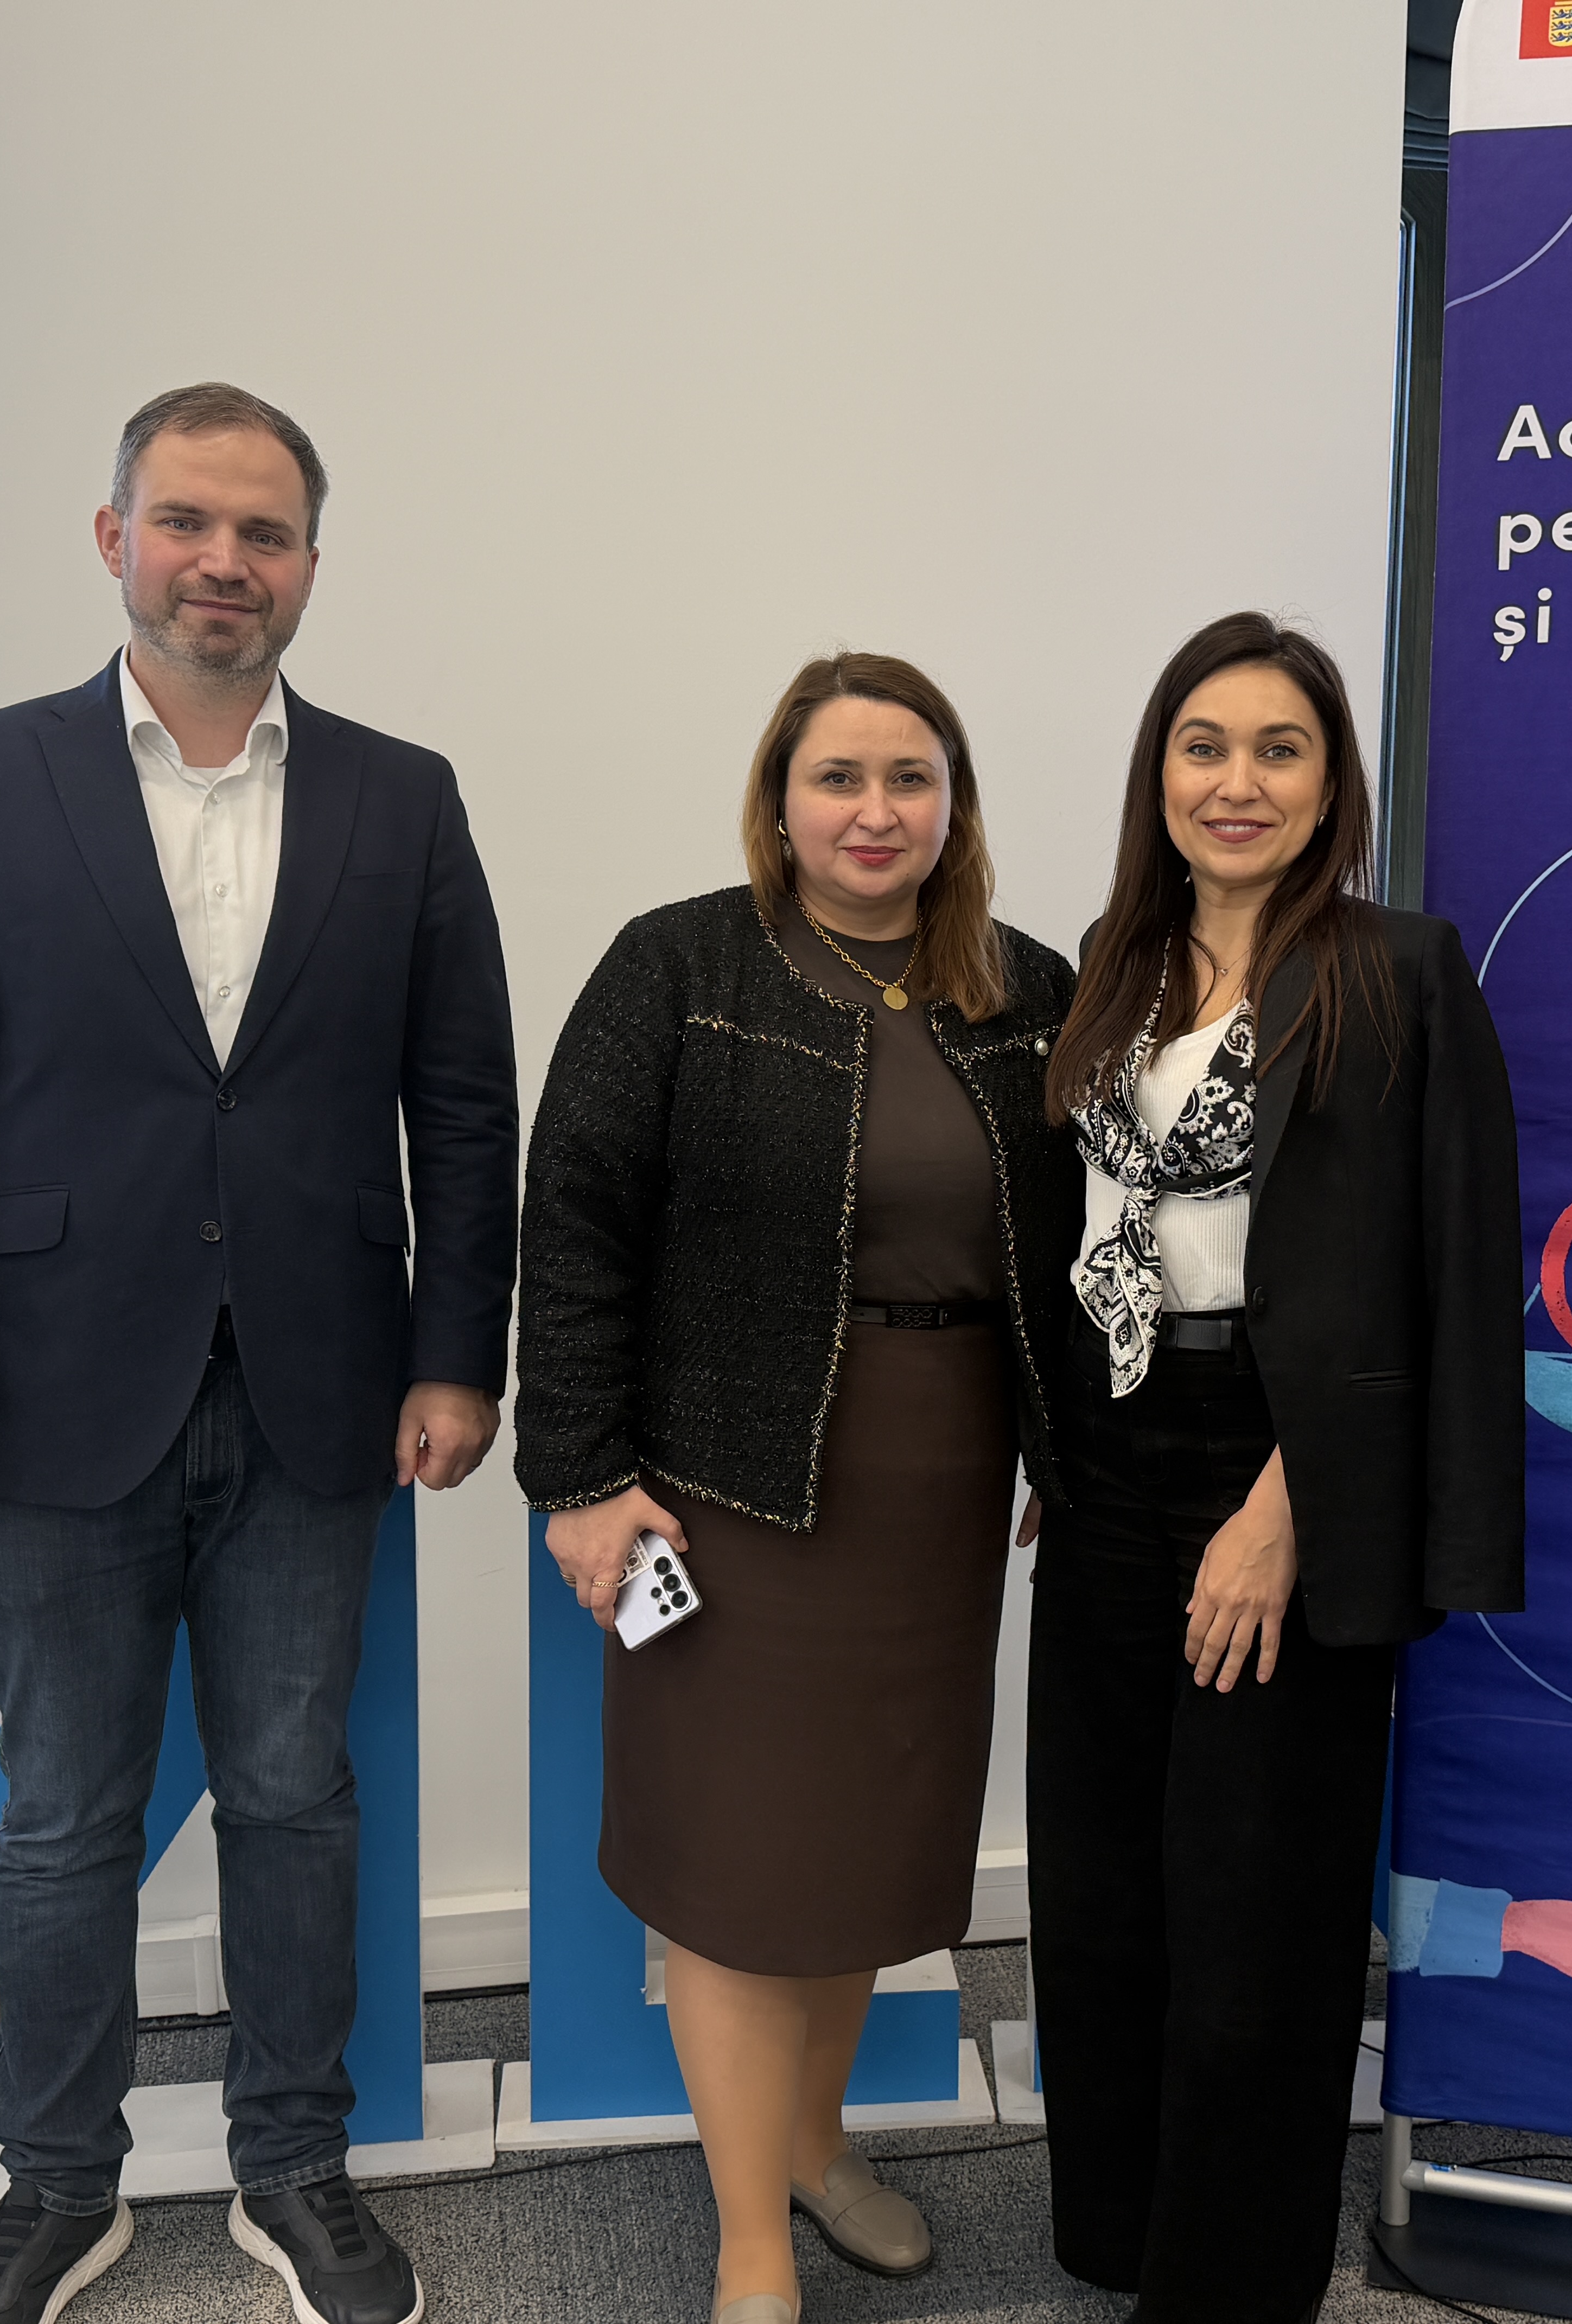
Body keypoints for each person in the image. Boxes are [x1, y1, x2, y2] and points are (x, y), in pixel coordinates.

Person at [0, 382, 516, 2324]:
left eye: (266, 533)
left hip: (322, 1386)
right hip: (52, 1389)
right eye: (189, 523)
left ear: (309, 562)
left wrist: (458, 1355)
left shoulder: (404, 795)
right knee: (65, 1815)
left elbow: (465, 1106)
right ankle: (59, 2184)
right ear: (116, 538)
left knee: (297, 1794)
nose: (226, 561)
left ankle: (293, 2164)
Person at [515, 652, 1079, 2324]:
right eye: (839, 776)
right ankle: (750, 2238)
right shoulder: (678, 966)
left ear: (954, 805)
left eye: (911, 777)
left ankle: (819, 2145)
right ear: (779, 799)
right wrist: (581, 1475)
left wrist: (1069, 1446)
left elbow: (1085, 1241)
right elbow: (577, 1221)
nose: (874, 810)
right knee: (743, 1868)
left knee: (862, 1858)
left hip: (941, 1489)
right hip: (730, 1496)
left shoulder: (1029, 988)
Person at [1025, 612, 1525, 2322]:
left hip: (1280, 1467)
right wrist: (1057, 1438)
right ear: (1159, 774)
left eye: (1279, 748)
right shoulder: (1111, 965)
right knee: (1103, 1896)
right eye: (1204, 745)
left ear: (1330, 786)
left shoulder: (1399, 970)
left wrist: (1286, 1506)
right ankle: (1123, 2237)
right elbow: (1080, 1218)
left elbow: (1430, 1270)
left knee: (1257, 1922)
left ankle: (1228, 2289)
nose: (1237, 781)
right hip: (1107, 1459)